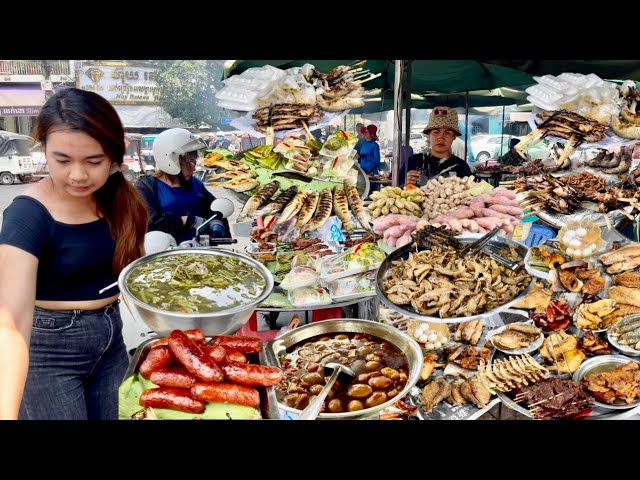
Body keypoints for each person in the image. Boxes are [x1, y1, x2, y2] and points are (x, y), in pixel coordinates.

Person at [0, 88, 149, 420]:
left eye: (93, 161)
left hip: (111, 343)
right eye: (62, 160)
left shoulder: (121, 200)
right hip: (47, 353)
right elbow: (11, 325)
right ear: (45, 151)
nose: (78, 175)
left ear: (114, 157)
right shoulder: (27, 215)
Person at [135, 128, 230, 245]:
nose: (194, 168)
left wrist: (216, 223)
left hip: (200, 253)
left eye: (194, 162)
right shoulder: (146, 187)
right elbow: (147, 222)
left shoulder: (196, 183)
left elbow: (214, 208)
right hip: (165, 256)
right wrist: (187, 221)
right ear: (169, 160)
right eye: (189, 162)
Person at [404, 106, 472, 187]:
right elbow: (396, 191)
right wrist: (404, 183)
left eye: (447, 133)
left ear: (454, 136)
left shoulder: (462, 167)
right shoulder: (413, 162)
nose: (441, 138)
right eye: (436, 132)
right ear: (429, 135)